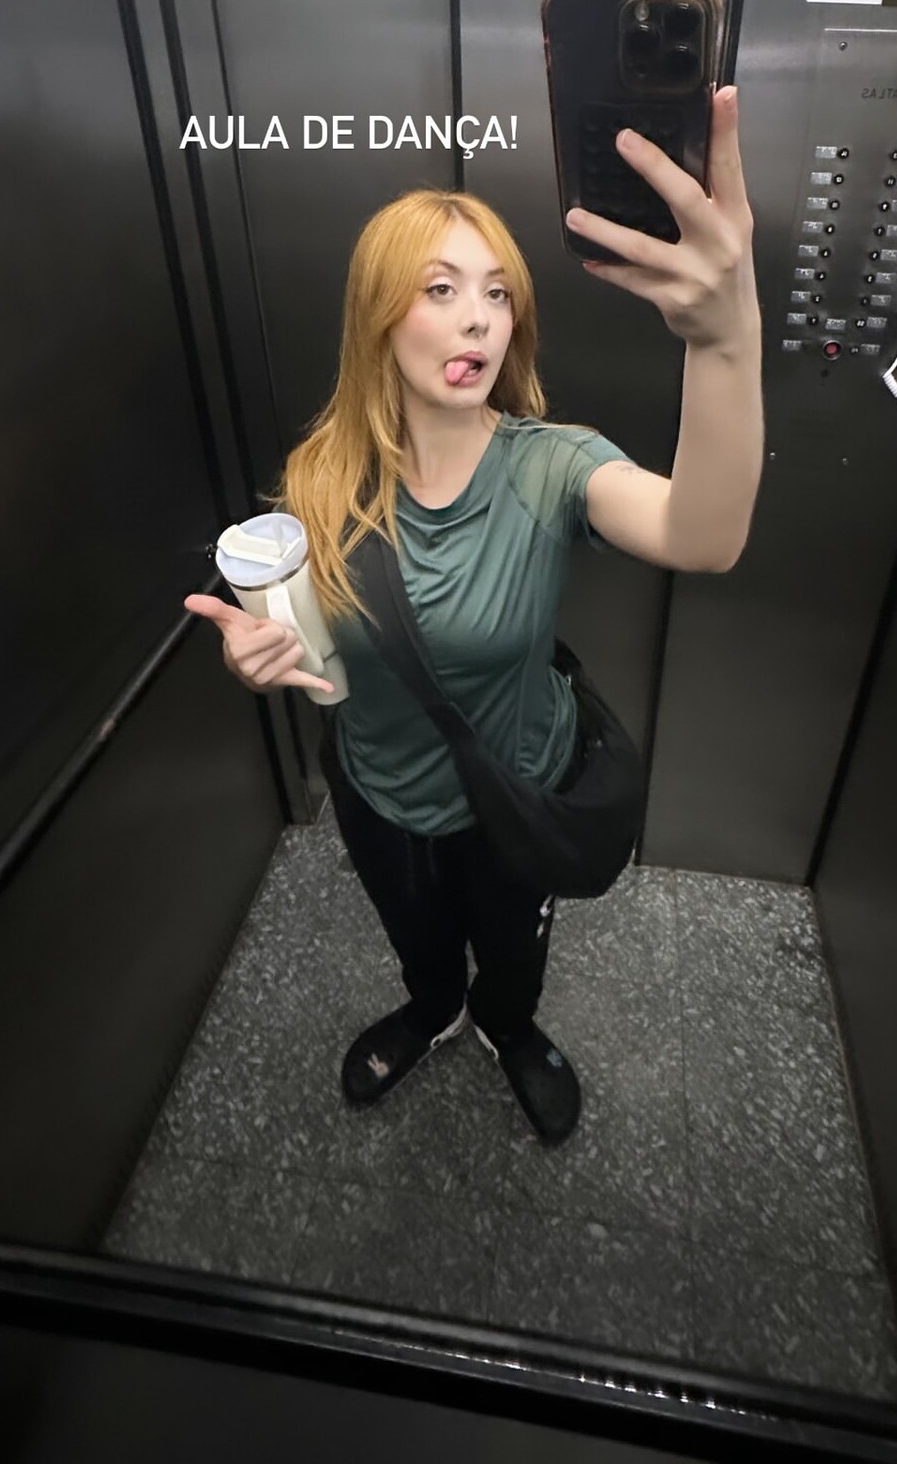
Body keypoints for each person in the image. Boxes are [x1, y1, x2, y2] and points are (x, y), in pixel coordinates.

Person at [186, 88, 763, 1147]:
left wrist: (727, 338)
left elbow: (704, 534)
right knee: (417, 939)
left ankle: (506, 1023)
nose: (477, 319)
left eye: (497, 294)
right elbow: (305, 643)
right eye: (441, 289)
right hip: (380, 793)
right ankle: (435, 1008)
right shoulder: (321, 477)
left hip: (518, 788)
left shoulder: (553, 465)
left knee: (513, 947)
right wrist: (255, 659)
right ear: (379, 318)